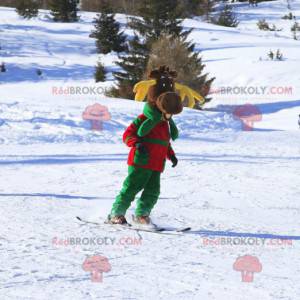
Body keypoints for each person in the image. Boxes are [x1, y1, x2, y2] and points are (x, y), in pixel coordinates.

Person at [108, 67, 183, 225]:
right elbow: (128, 135)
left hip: (157, 164)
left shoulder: (165, 123)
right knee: (132, 187)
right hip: (140, 160)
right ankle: (116, 213)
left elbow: (164, 142)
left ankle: (141, 215)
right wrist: (137, 144)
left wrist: (171, 155)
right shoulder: (143, 118)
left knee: (152, 191)